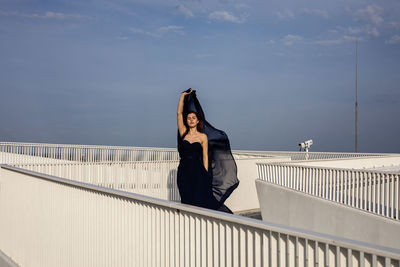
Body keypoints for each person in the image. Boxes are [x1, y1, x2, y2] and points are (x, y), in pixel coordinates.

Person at [176, 88, 239, 213]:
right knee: (186, 198)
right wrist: (183, 96)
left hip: (198, 171)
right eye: (189, 118)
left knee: (200, 200)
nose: (191, 120)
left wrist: (205, 173)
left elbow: (205, 156)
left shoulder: (202, 137)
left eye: (194, 118)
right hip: (184, 171)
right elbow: (179, 113)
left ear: (198, 120)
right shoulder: (183, 133)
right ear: (186, 121)